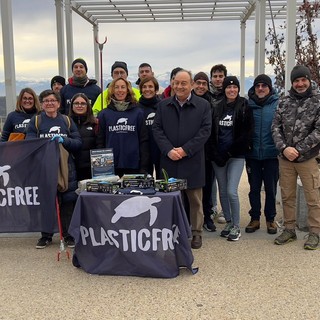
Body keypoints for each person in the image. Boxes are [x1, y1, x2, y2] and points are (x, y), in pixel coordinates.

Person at [153, 70, 212, 249]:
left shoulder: (203, 106)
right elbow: (157, 129)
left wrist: (186, 150)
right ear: (172, 83)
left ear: (192, 84)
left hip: (192, 160)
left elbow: (205, 131)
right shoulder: (163, 106)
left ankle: (196, 233)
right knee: (171, 198)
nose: (179, 86)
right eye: (176, 82)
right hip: (169, 161)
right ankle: (172, 231)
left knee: (195, 200)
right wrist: (168, 150)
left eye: (183, 83)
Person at [26, 89, 82, 249]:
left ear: (58, 103)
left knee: (67, 201)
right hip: (44, 167)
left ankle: (68, 234)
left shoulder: (67, 121)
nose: (49, 103)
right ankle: (46, 235)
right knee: (46, 201)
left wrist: (63, 140)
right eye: (46, 101)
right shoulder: (36, 122)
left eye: (52, 100)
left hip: (66, 167)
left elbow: (78, 143)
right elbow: (30, 144)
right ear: (42, 104)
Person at [272, 65, 320, 250]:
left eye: (303, 80)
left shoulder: (317, 101)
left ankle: (315, 232)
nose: (300, 84)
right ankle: (289, 229)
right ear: (292, 82)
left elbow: (318, 130)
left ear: (308, 80)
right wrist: (284, 149)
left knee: (312, 196)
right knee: (287, 195)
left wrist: (298, 150)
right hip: (286, 159)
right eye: (296, 81)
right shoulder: (284, 101)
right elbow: (275, 127)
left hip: (307, 158)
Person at [208, 76, 253, 241]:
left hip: (235, 156)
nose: (231, 90)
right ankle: (228, 221)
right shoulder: (217, 107)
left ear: (238, 89)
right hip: (218, 157)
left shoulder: (244, 106)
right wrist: (215, 154)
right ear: (224, 89)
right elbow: (211, 133)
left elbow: (246, 134)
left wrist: (228, 153)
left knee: (231, 191)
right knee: (223, 191)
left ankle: (236, 225)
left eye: (234, 87)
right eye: (228, 87)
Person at [245, 74, 279, 234]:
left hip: (271, 154)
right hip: (252, 155)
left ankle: (271, 219)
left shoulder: (277, 104)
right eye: (257, 85)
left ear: (269, 88)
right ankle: (255, 218)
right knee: (254, 188)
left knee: (271, 189)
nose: (260, 88)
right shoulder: (248, 105)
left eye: (264, 85)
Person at [96, 77, 149, 177]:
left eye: (123, 87)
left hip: (133, 166)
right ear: (112, 90)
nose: (120, 90)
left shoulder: (138, 113)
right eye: (117, 87)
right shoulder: (104, 114)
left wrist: (143, 167)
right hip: (110, 167)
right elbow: (100, 142)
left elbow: (143, 141)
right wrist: (101, 169)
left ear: (128, 90)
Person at [192, 72, 216, 232]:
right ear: (193, 84)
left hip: (207, 152)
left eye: (204, 83)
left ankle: (207, 216)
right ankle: (190, 218)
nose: (201, 86)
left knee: (207, 187)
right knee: (191, 188)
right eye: (198, 83)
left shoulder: (212, 103)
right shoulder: (188, 101)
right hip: (190, 151)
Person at [209, 64, 228, 224]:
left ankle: (224, 209)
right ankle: (213, 207)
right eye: (215, 76)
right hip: (209, 143)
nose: (218, 79)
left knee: (225, 181)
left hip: (224, 144)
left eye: (220, 76)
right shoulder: (206, 95)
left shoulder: (229, 94)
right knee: (211, 179)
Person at [69, 93, 98, 181]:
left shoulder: (95, 123)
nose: (79, 106)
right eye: (76, 103)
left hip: (90, 169)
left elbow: (100, 144)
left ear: (87, 106)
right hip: (72, 168)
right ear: (72, 106)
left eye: (83, 103)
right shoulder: (66, 123)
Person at [137, 76, 161, 178]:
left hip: (160, 149)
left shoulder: (162, 106)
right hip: (143, 150)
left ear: (155, 89)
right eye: (145, 87)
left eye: (150, 86)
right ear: (141, 89)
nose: (147, 89)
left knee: (162, 180)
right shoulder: (136, 108)